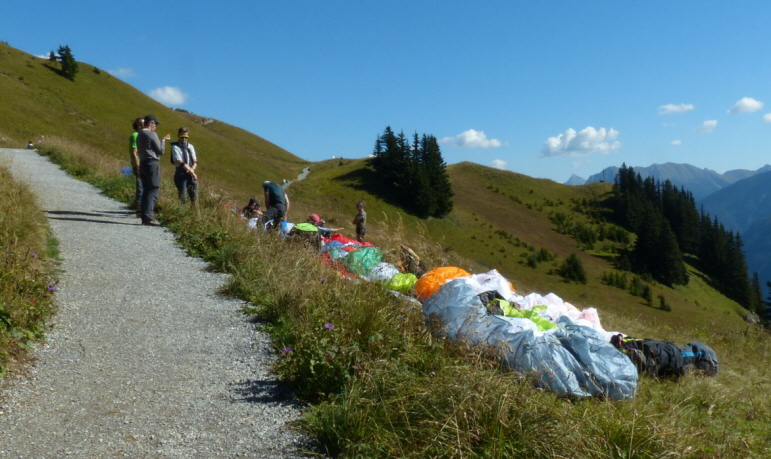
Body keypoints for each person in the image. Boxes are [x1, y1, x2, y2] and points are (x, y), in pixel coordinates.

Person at [136, 115, 170, 226]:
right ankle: (149, 217)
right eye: (155, 124)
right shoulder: (151, 134)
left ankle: (144, 216)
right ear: (150, 123)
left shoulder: (140, 134)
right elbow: (160, 151)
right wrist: (163, 141)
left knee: (146, 189)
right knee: (153, 188)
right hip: (152, 162)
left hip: (143, 162)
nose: (156, 126)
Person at [170, 127, 198, 204]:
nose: (184, 139)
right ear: (178, 135)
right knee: (183, 195)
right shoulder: (175, 146)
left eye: (186, 137)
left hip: (191, 171)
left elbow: (195, 161)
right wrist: (192, 172)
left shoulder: (190, 146)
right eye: (182, 137)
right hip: (181, 172)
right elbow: (179, 161)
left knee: (194, 195)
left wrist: (192, 170)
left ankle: (194, 212)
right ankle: (182, 212)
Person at [128, 117, 144, 212]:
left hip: (143, 164)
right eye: (143, 123)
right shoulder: (135, 135)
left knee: (143, 186)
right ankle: (138, 207)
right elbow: (134, 152)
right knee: (141, 186)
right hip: (139, 165)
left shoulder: (141, 135)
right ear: (138, 126)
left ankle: (141, 206)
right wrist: (137, 165)